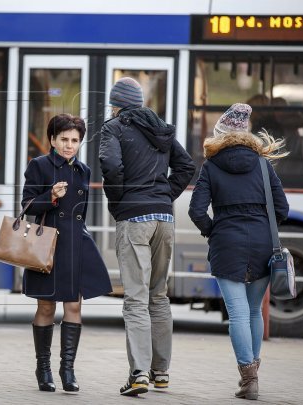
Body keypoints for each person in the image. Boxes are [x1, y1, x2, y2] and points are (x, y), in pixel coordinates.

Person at [98, 77, 195, 396]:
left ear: (117, 103)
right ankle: (161, 373)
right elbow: (186, 166)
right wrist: (166, 195)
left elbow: (110, 166)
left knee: (136, 298)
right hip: (164, 218)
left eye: (112, 102)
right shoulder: (162, 127)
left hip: (135, 218)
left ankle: (139, 373)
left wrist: (118, 202)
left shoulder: (114, 127)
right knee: (159, 295)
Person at [188, 103, 289, 401]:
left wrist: (212, 229)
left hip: (226, 244)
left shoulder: (211, 165)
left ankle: (249, 379)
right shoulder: (262, 164)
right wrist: (262, 224)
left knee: (238, 314)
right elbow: (282, 208)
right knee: (254, 310)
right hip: (262, 244)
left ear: (220, 134)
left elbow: (196, 210)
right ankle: (253, 375)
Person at [22, 113, 113, 393]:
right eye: (64, 139)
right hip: (47, 245)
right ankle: (44, 368)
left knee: (74, 306)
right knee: (46, 306)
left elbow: (81, 214)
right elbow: (26, 205)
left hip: (75, 244)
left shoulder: (83, 171)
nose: (69, 145)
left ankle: (68, 369)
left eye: (75, 140)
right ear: (52, 139)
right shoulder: (38, 166)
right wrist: (50, 197)